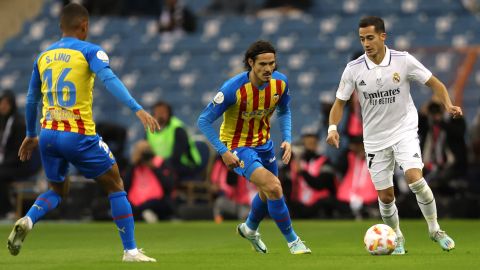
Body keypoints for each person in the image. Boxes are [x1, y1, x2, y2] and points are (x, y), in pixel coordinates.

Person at [7, 3, 159, 262]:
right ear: (85, 26)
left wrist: (32, 133)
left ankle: (29, 219)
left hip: (48, 135)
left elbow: (32, 99)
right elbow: (109, 79)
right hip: (78, 135)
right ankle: (130, 250)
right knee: (115, 184)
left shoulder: (42, 57)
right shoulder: (90, 51)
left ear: (60, 27)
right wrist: (137, 108)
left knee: (57, 190)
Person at [326, 16, 461, 254]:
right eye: (362, 39)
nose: (366, 43)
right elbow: (339, 103)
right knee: (386, 196)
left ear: (382, 36)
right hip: (375, 139)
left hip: (404, 130)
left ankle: (435, 229)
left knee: (414, 178)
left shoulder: (403, 60)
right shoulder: (354, 68)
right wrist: (332, 128)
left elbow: (436, 84)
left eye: (370, 38)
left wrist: (448, 105)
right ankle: (397, 237)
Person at [197, 40, 311, 254]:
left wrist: (287, 138)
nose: (268, 69)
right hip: (237, 146)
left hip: (264, 145)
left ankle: (249, 228)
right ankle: (294, 242)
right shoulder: (233, 89)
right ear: (251, 63)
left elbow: (284, 110)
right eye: (263, 64)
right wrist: (223, 151)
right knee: (275, 187)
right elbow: (203, 120)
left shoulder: (280, 83)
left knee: (268, 191)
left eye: (272, 63)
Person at [0, 90, 41, 219]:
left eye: (6, 103)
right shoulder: (3, 122)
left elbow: (19, 152)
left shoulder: (19, 123)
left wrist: (3, 162)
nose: (3, 106)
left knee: (1, 175)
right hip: (10, 163)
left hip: (24, 163)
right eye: (1, 103)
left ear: (12, 104)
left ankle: (7, 210)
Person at [147, 100, 202, 181]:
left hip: (186, 165)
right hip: (161, 165)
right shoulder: (150, 129)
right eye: (157, 112)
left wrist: (158, 165)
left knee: (164, 174)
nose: (160, 115)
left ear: (169, 114)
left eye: (163, 112)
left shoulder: (177, 128)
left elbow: (176, 157)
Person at [123, 140, 175, 222]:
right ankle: (143, 215)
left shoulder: (160, 163)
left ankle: (143, 214)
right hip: (135, 201)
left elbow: (169, 186)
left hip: (156, 200)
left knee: (158, 204)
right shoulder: (133, 167)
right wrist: (134, 164)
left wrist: (154, 168)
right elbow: (125, 186)